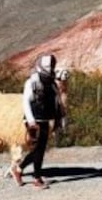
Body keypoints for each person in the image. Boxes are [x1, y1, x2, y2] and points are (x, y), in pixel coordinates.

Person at [13, 54, 66, 189]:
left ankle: (19, 168)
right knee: (39, 149)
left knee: (40, 149)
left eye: (51, 66)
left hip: (45, 118)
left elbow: (57, 102)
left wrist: (59, 119)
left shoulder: (52, 83)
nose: (50, 69)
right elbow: (25, 101)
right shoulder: (32, 82)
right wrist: (30, 120)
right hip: (34, 120)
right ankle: (37, 178)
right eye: (48, 66)